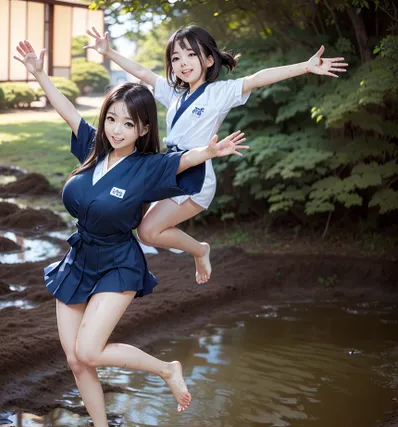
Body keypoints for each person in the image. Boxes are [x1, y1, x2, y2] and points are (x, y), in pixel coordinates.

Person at [14, 40, 249, 427]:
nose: (117, 129)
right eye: (112, 119)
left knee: (88, 351)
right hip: (78, 260)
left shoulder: (148, 167)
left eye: (128, 124)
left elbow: (185, 162)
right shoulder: (91, 148)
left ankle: (166, 369)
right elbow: (66, 109)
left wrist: (210, 152)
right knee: (74, 359)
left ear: (143, 129)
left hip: (118, 264)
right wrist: (37, 72)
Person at [85, 25, 348, 284]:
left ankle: (200, 250)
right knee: (132, 213)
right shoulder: (174, 93)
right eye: (176, 58)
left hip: (194, 175)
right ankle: (126, 254)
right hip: (168, 167)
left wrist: (305, 66)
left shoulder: (219, 93)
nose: (182, 63)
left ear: (209, 59)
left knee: (147, 232)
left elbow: (258, 78)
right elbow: (142, 72)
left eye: (190, 55)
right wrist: (109, 53)